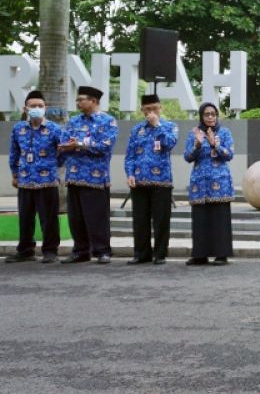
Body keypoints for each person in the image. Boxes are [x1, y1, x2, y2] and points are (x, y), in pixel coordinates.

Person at [59, 86, 118, 264]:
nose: (78, 103)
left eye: (81, 99)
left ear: (93, 101)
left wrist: (79, 144)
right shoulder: (73, 122)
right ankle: (80, 251)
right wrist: (76, 145)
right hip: (74, 176)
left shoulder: (108, 121)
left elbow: (105, 145)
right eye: (77, 100)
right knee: (76, 218)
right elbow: (64, 143)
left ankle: (102, 251)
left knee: (97, 217)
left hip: (96, 178)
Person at [6, 91, 64, 263]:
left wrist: (53, 166)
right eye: (33, 106)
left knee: (49, 219)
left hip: (47, 182)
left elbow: (63, 152)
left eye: (40, 106)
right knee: (25, 218)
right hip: (24, 181)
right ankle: (25, 250)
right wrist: (15, 174)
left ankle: (50, 251)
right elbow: (14, 153)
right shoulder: (18, 129)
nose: (37, 109)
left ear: (45, 108)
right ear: (25, 108)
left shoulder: (54, 129)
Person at [124, 94, 179, 265]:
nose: (151, 112)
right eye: (147, 109)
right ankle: (141, 253)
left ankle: (160, 254)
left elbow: (170, 143)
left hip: (161, 181)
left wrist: (157, 126)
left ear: (160, 108)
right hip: (139, 181)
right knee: (140, 220)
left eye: (155, 108)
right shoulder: (137, 129)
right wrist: (130, 173)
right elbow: (130, 155)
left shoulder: (170, 126)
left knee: (161, 219)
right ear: (142, 111)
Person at [183, 102, 234, 265]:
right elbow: (187, 157)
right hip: (199, 183)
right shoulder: (194, 133)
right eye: (207, 114)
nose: (210, 117)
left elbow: (229, 154)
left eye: (213, 114)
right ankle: (200, 255)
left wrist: (215, 144)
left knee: (219, 219)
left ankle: (221, 254)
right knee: (200, 219)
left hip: (220, 182)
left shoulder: (224, 132)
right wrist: (197, 145)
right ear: (201, 116)